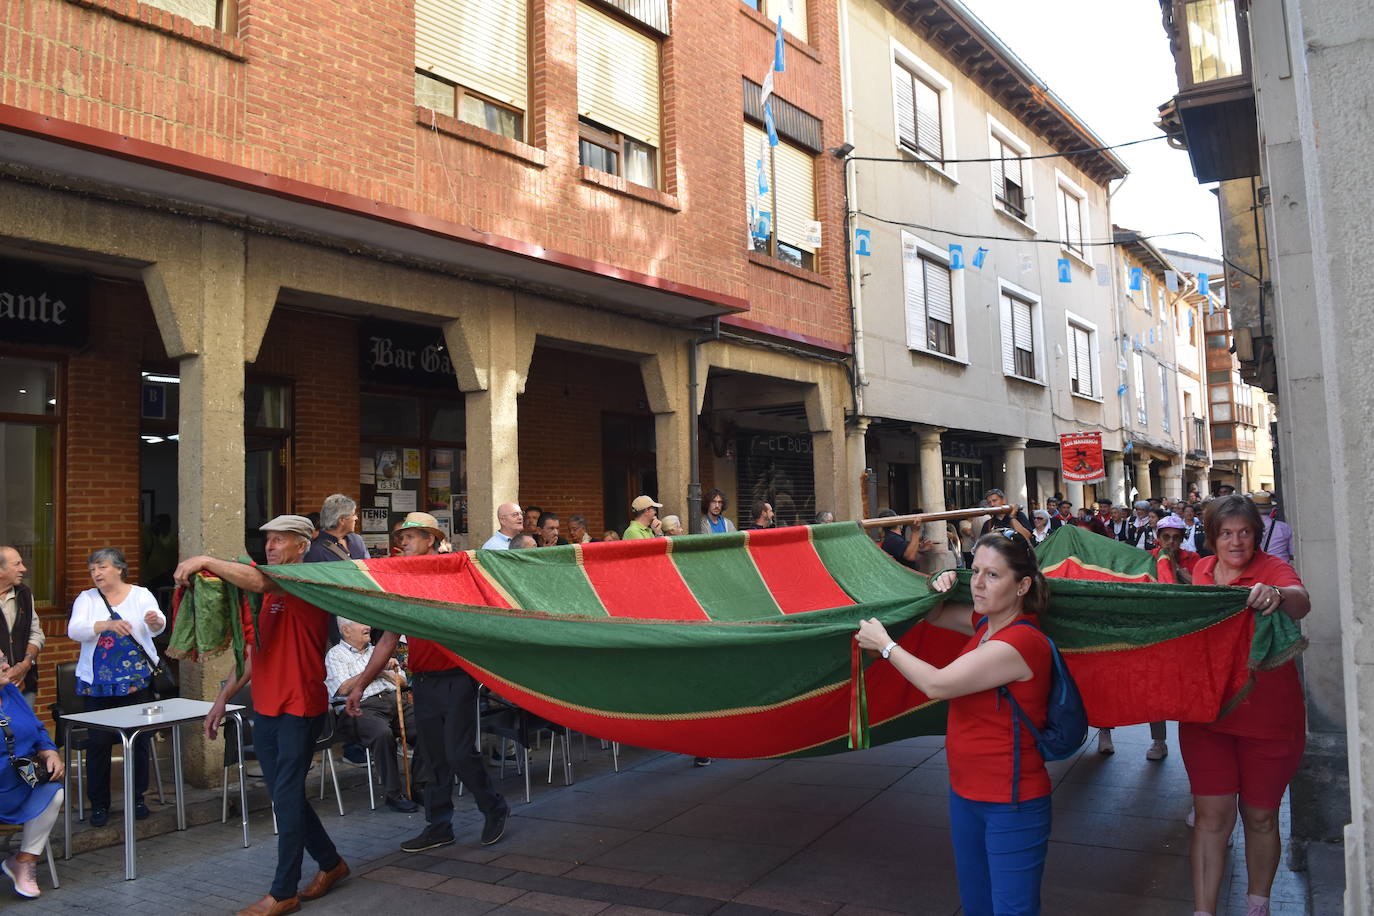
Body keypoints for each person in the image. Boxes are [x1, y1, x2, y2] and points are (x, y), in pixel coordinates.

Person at [855, 531, 1055, 915]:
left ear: (1022, 585)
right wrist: (938, 583)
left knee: (1013, 910)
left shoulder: (1021, 642)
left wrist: (885, 645)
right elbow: (932, 612)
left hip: (1011, 802)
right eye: (973, 570)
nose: (978, 583)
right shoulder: (986, 624)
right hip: (967, 794)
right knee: (977, 905)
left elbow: (937, 685)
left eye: (993, 575)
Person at [176, 516, 349, 915]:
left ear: (301, 546)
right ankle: (331, 864)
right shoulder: (266, 596)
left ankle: (284, 891)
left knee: (285, 799)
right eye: (267, 540)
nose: (270, 547)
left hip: (300, 706)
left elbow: (257, 579)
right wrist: (222, 699)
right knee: (284, 797)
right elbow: (253, 654)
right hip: (267, 708)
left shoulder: (306, 579)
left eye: (280, 540)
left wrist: (205, 559)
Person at [343, 512, 509, 856]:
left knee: (459, 752)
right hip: (424, 682)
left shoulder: (451, 571)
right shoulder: (403, 582)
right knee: (433, 757)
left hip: (458, 678)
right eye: (402, 537)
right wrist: (360, 684)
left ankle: (494, 808)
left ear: (430, 540)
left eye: (410, 537)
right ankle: (439, 826)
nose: (402, 542)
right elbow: (388, 639)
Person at [1180, 495, 1311, 916]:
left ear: (1257, 535)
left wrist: (1275, 594)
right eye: (1226, 533)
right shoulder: (1200, 571)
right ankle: (1204, 911)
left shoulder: (1271, 569)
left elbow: (1300, 599)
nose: (1235, 542)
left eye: (1244, 533)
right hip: (1208, 715)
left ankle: (1258, 904)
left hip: (1270, 719)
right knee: (1210, 818)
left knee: (1260, 818)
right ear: (1212, 537)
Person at [66, 547, 165, 827]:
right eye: (93, 569)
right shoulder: (86, 598)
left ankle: (137, 799)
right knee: (98, 743)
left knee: (139, 740)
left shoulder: (141, 594)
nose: (96, 573)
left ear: (119, 569)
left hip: (136, 682)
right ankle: (99, 804)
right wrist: (105, 625)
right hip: (97, 685)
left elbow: (157, 624)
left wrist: (155, 621)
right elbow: (75, 630)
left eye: (102, 567)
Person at [324, 617, 418, 813]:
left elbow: (401, 682)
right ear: (346, 631)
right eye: (361, 623)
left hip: (394, 701)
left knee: (426, 723)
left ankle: (421, 783)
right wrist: (376, 670)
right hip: (360, 708)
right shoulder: (336, 655)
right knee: (382, 735)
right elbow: (342, 689)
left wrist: (383, 672)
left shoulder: (377, 651)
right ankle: (394, 794)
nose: (368, 627)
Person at [0, 654, 64, 899]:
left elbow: (37, 728)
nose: (8, 666)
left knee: (53, 793)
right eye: (0, 664)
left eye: (4, 659)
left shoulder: (11, 692)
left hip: (23, 776)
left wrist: (49, 752)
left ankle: (24, 861)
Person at [0, 547, 44, 707]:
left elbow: (36, 633)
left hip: (24, 685)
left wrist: (25, 664)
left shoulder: (24, 593)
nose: (23, 569)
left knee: (24, 730)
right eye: (17, 564)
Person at [305, 494, 368, 563]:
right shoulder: (315, 551)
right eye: (353, 515)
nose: (356, 518)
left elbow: (369, 567)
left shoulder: (357, 540)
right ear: (342, 520)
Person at [1251, 492, 1293, 565]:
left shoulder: (1248, 527)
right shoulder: (1284, 527)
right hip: (1281, 569)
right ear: (1271, 509)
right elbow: (1292, 553)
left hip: (1258, 568)